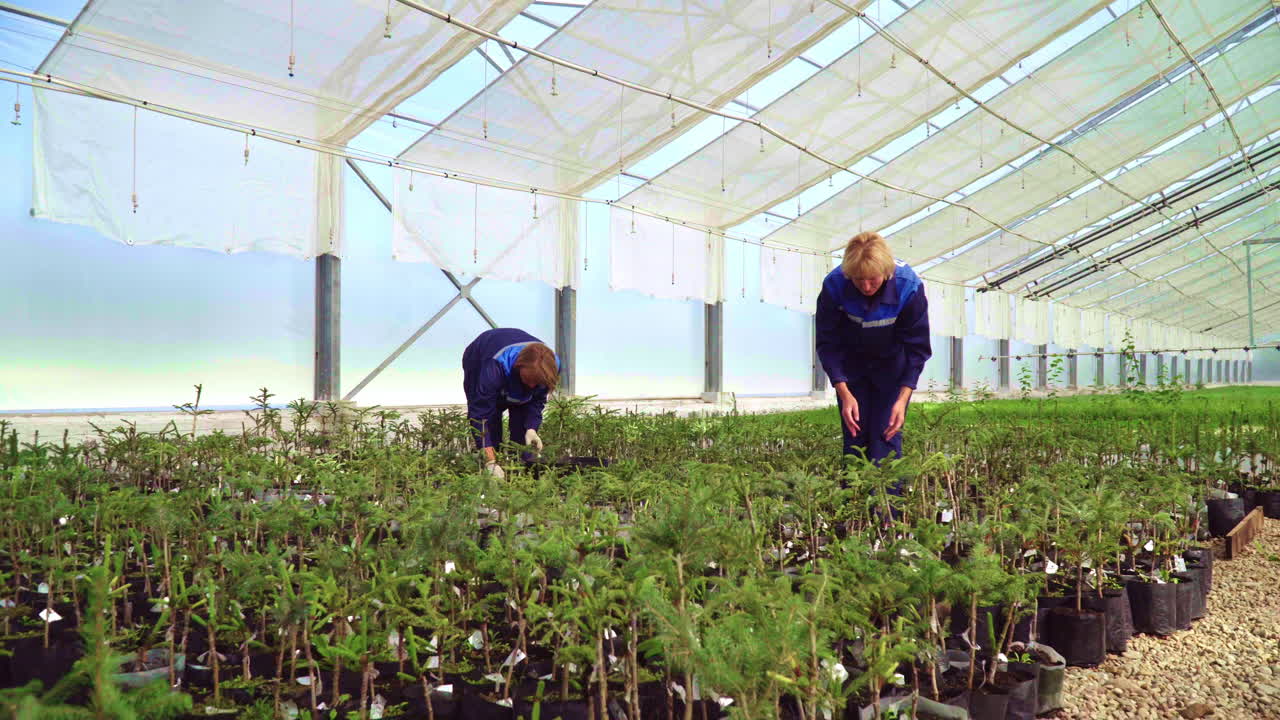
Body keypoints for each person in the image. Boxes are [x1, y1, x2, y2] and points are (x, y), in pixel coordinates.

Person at [815, 231, 931, 465]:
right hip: (851, 366)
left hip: (892, 368)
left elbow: (917, 349)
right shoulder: (834, 285)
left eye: (873, 279)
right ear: (848, 274)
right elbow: (828, 342)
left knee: (886, 437)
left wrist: (902, 399)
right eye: (859, 280)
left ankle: (888, 489)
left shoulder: (909, 287)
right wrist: (843, 392)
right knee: (854, 437)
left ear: (886, 272)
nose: (866, 286)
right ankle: (854, 488)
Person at [462, 328, 560, 478]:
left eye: (536, 383)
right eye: (528, 380)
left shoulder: (550, 368)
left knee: (523, 435)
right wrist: (490, 460)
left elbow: (537, 400)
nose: (532, 386)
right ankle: (492, 469)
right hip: (479, 355)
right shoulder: (495, 366)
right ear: (519, 366)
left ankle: (521, 475)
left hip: (511, 370)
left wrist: (531, 428)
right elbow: (480, 415)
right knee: (492, 418)